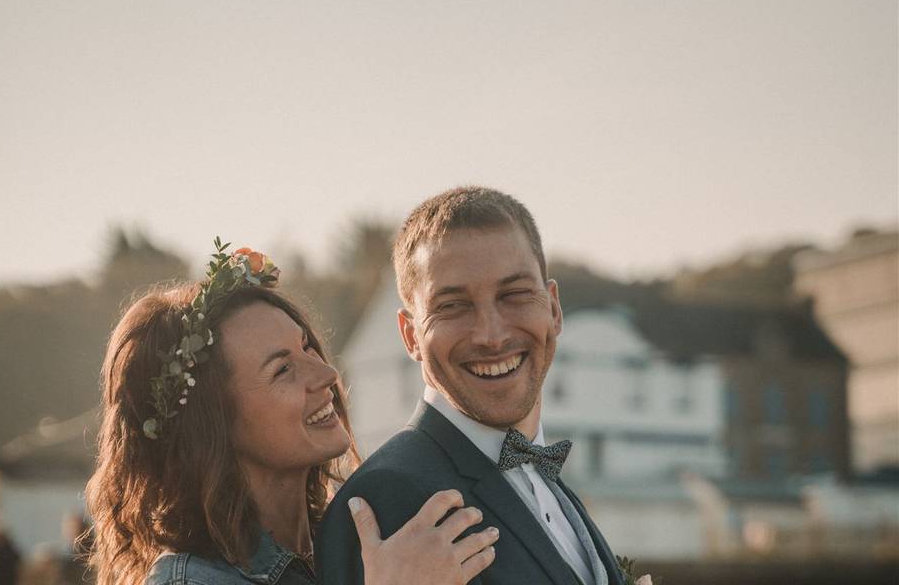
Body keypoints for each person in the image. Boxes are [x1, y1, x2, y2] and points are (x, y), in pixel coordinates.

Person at [85, 240, 497, 585]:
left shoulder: (359, 539)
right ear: (211, 425)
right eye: (282, 369)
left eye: (307, 347)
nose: (326, 373)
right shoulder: (192, 581)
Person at [317, 187, 624, 585]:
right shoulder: (390, 496)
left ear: (553, 308)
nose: (491, 336)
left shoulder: (553, 487)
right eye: (453, 306)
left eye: (514, 294)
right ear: (410, 335)